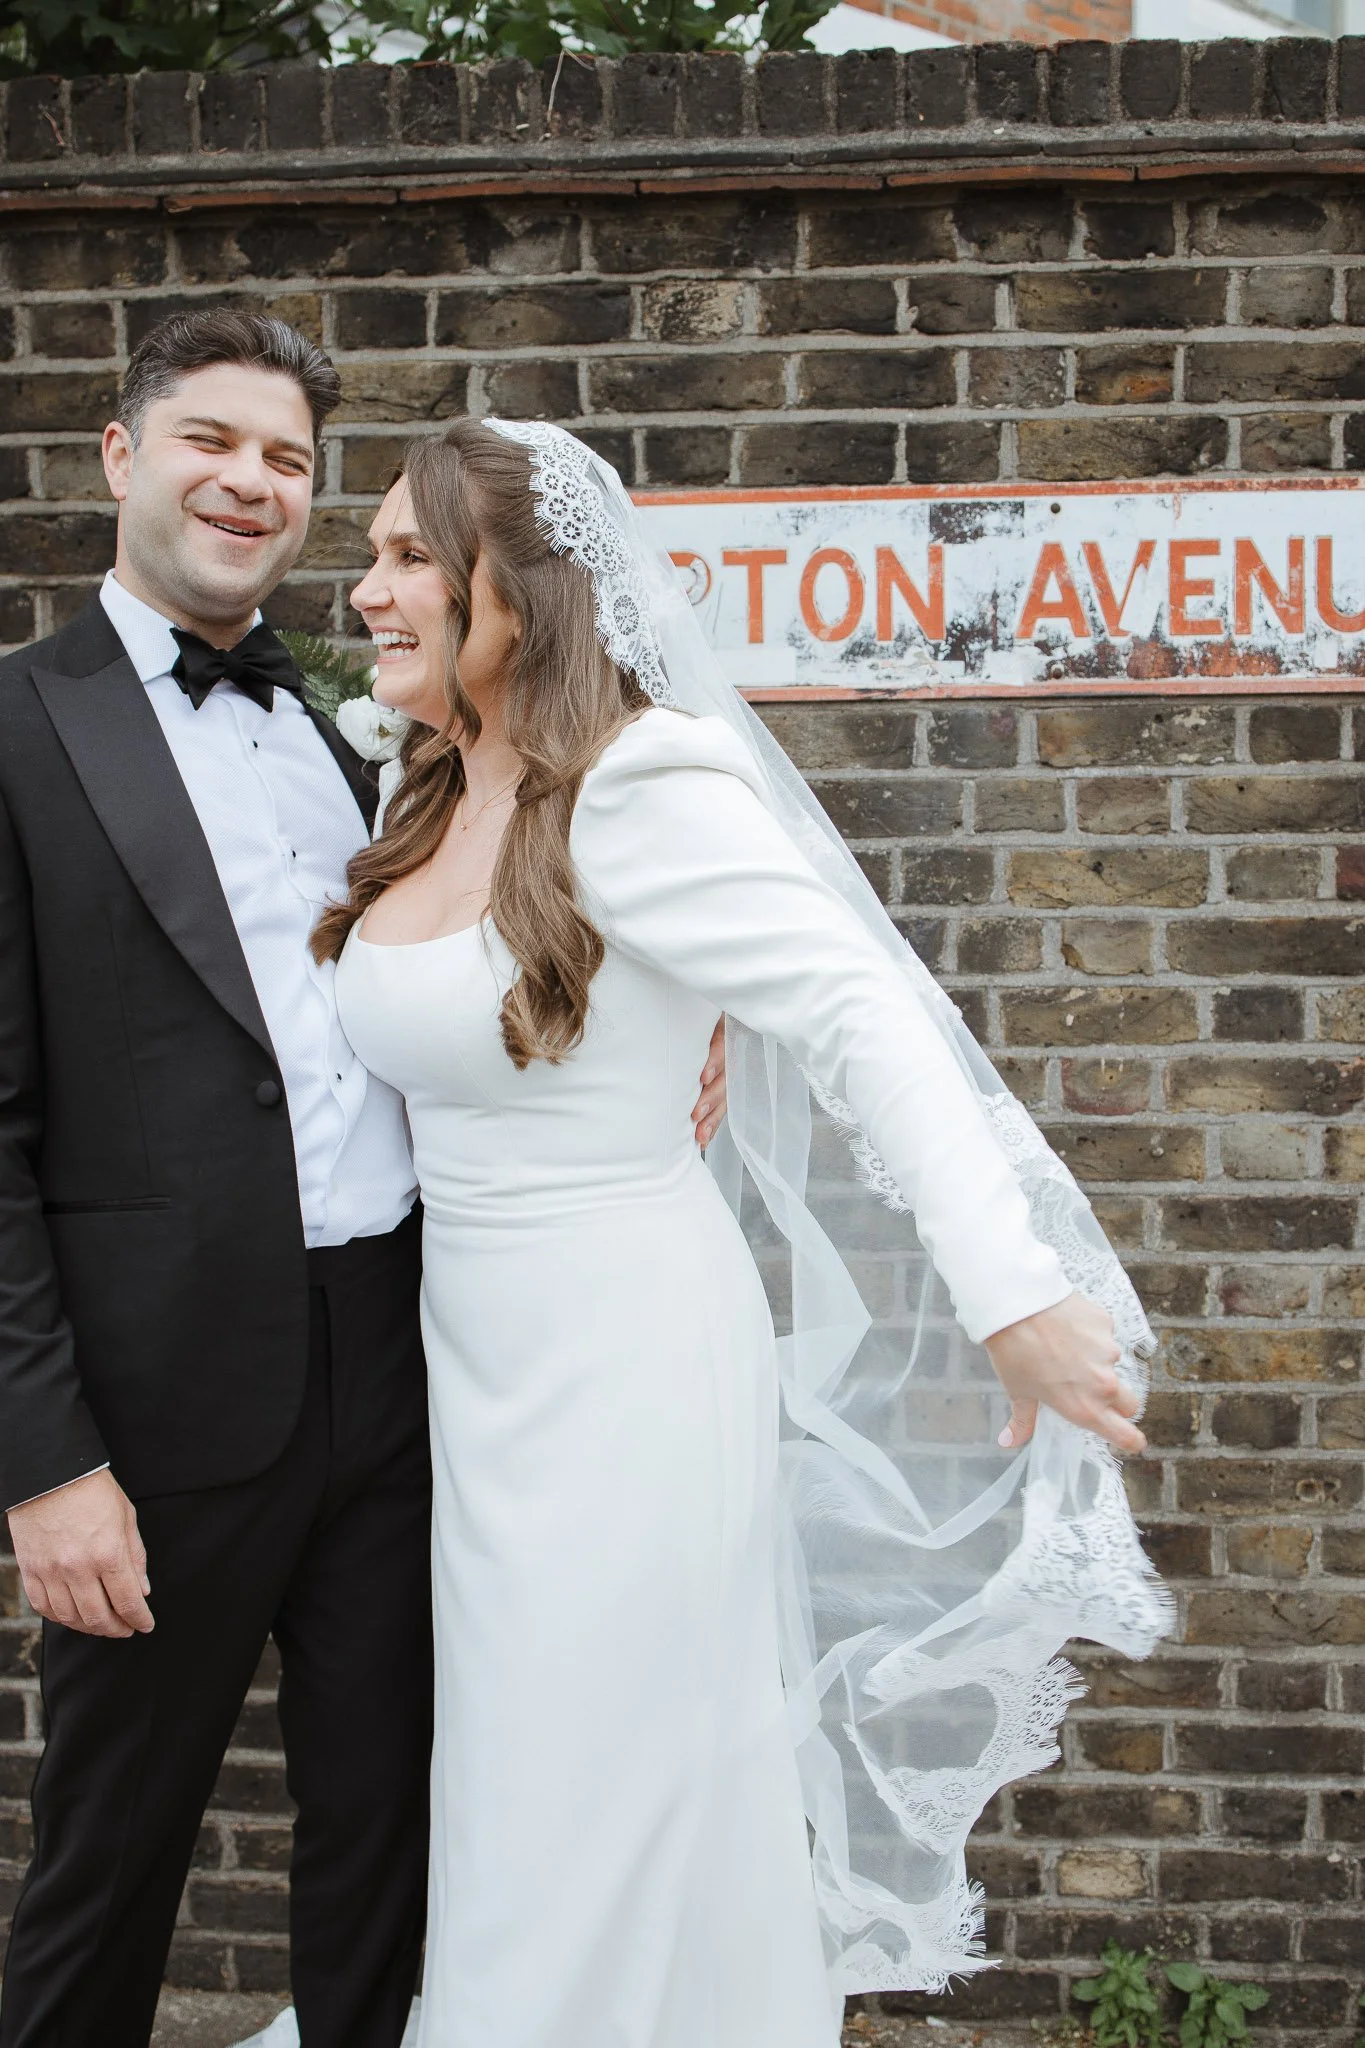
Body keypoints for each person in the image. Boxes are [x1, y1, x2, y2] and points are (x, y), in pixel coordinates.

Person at [301, 417, 1169, 2048]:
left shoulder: (640, 786)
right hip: (472, 1367)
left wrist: (1011, 1292)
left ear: (523, 592)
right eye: (374, 558)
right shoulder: (422, 788)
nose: (366, 591)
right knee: (518, 1788)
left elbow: (862, 1018)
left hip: (626, 1368)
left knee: (590, 1788)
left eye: (410, 556)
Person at [0, 306, 729, 2048]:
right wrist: (45, 1467)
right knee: (109, 1862)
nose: (250, 484)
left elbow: (523, 927)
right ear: (121, 457)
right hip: (157, 1414)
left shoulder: (369, 742)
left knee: (391, 1842)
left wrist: (691, 1027)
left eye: (287, 461)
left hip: (409, 1372)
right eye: (211, 441)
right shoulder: (20, 730)